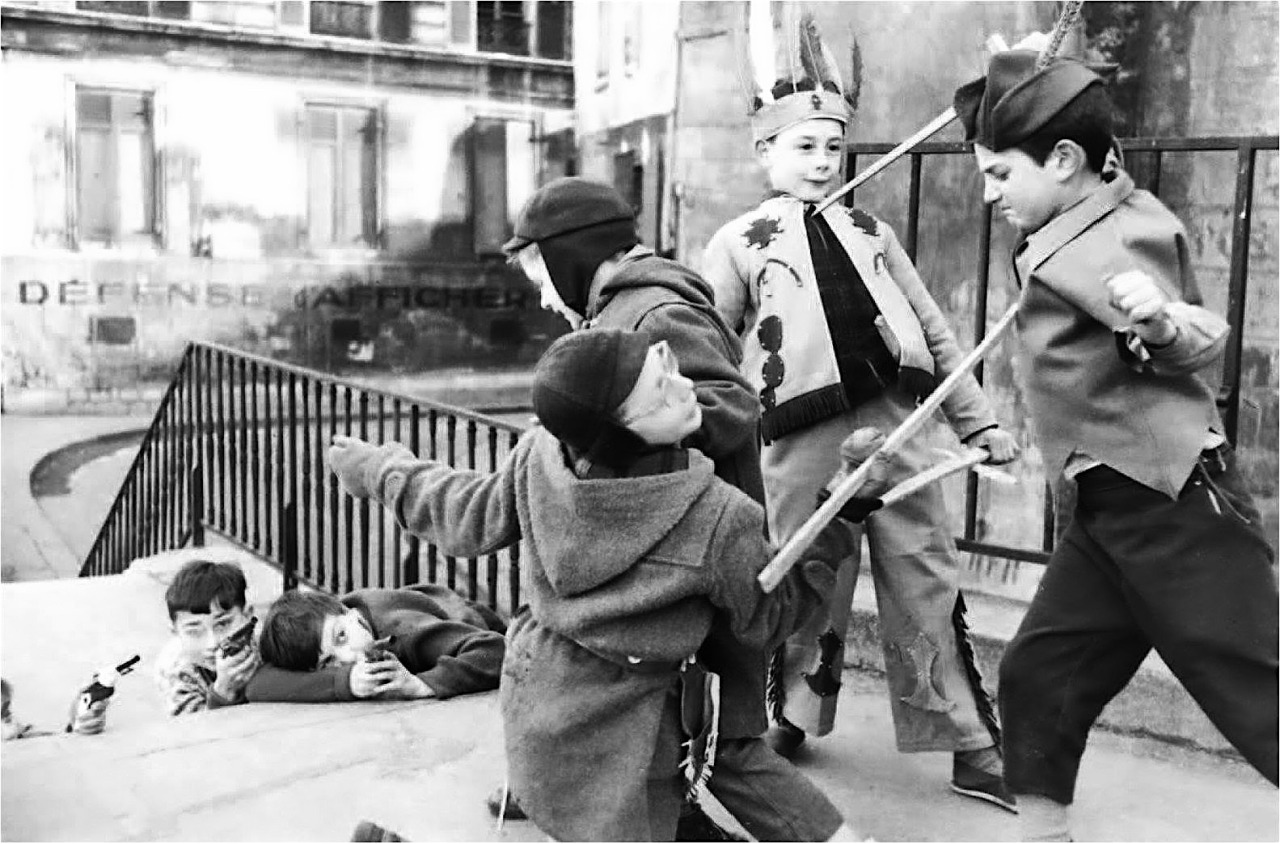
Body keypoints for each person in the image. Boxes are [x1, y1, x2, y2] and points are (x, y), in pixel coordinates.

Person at [327, 327, 867, 842]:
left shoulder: (541, 457)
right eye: (661, 394)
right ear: (621, 431)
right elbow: (772, 616)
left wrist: (379, 468)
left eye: (669, 365)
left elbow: (463, 510)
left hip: (538, 702)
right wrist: (843, 511)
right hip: (631, 735)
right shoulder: (718, 518)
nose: (686, 390)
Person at [953, 47, 1279, 841]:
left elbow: (1193, 338)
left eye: (999, 174)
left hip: (1172, 506)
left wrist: (1161, 323)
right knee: (1040, 675)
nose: (990, 194)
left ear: (1063, 160)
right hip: (1105, 509)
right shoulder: (1078, 208)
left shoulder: (1122, 235)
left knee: (1259, 693)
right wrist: (1019, 70)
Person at [700, 12, 1020, 812]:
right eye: (803, 146)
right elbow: (707, 344)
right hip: (802, 443)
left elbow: (939, 334)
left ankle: (971, 744)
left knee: (926, 579)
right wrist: (708, 439)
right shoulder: (739, 240)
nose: (820, 160)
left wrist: (978, 422)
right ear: (764, 151)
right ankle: (791, 713)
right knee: (810, 580)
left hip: (901, 429)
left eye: (832, 147)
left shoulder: (875, 232)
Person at [502, 175, 768, 840]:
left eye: (540, 274)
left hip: (703, 541)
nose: (540, 294)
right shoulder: (620, 307)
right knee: (675, 719)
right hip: (672, 536)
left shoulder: (652, 312)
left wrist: (633, 420)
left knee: (731, 744)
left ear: (573, 258)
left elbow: (733, 403)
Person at [248, 584, 506, 702]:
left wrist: (422, 685)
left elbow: (497, 649)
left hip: (478, 626)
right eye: (330, 661)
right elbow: (259, 684)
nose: (348, 658)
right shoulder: (343, 620)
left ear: (348, 612)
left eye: (341, 637)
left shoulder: (403, 630)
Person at [153, 559, 261, 716]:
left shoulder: (266, 645)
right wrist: (223, 691)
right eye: (194, 631)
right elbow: (194, 733)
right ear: (175, 631)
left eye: (223, 624)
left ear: (248, 615)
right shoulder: (175, 670)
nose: (212, 643)